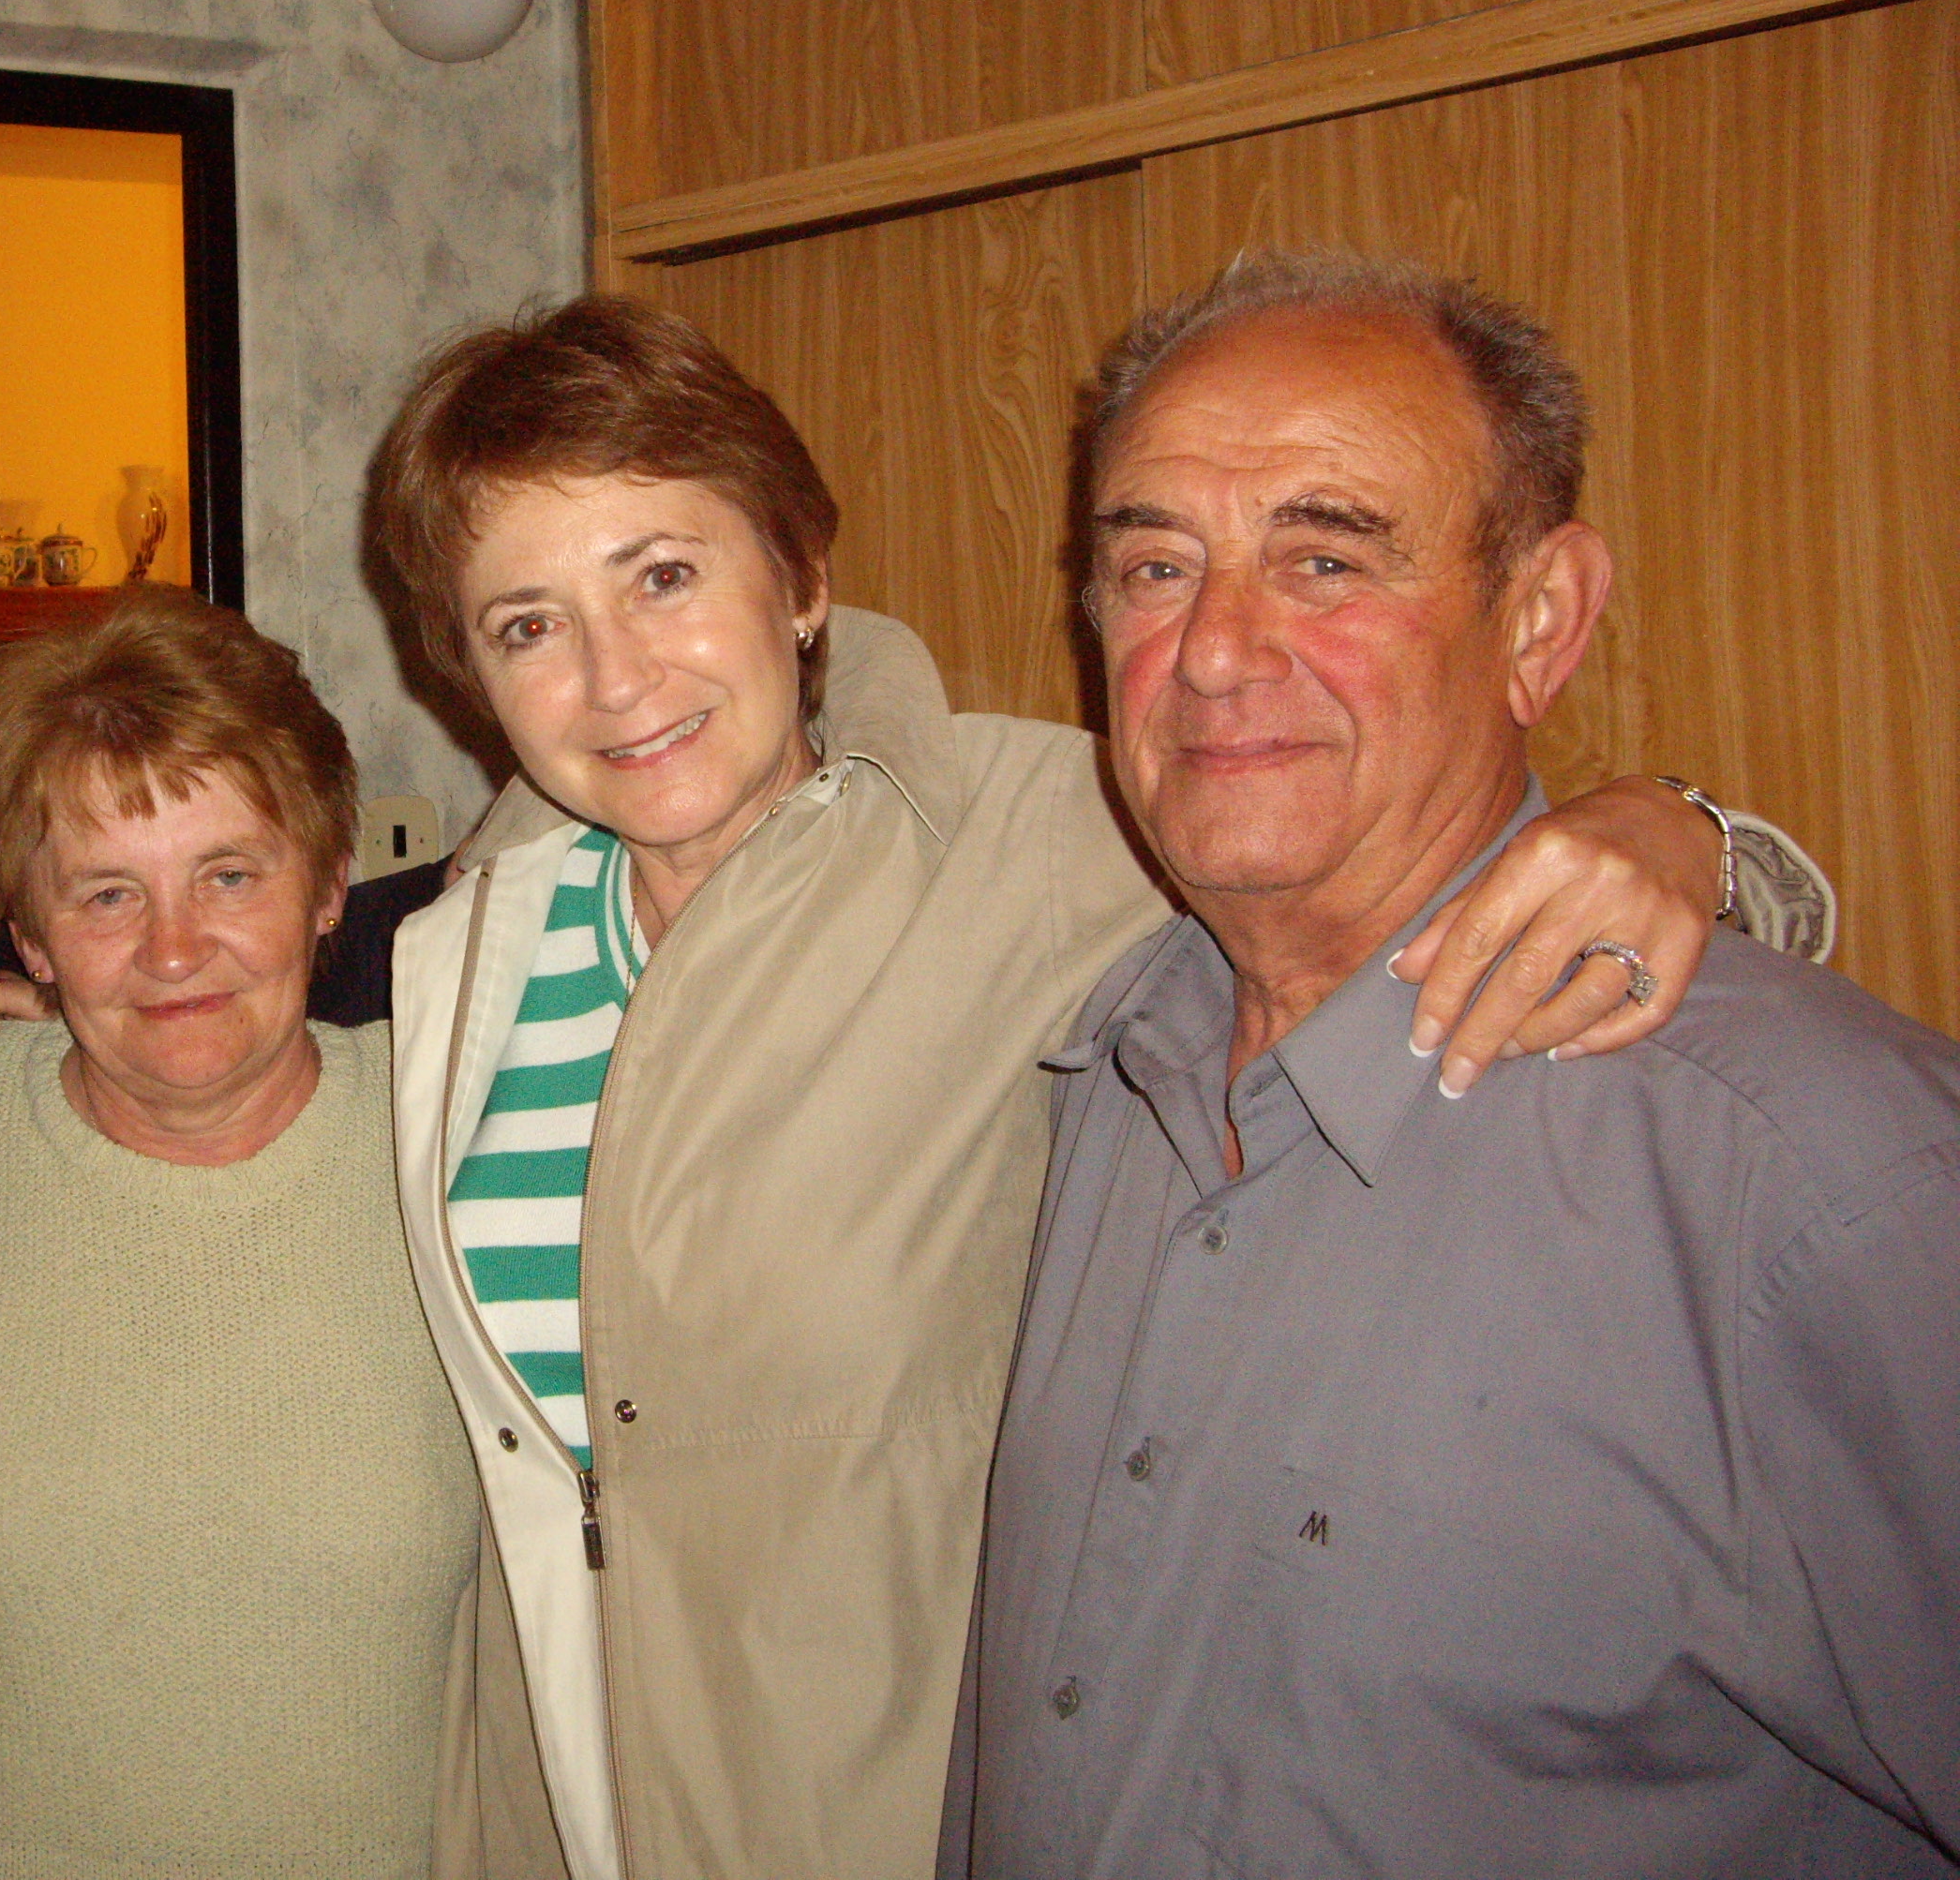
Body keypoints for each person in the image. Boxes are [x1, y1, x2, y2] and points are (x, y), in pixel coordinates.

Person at [358, 293, 1788, 1880]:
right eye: (529, 624)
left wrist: (1695, 839)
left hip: (902, 1821)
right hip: (560, 1816)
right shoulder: (459, 952)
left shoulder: (1053, 836)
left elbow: (1446, 905)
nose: (616, 678)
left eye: (664, 577)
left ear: (802, 577)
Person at [939, 256, 1958, 1876]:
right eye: (1154, 567)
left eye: (1325, 559)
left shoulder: (1820, 1181)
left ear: (1538, 623)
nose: (1214, 651)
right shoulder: (1089, 1079)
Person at [0, 591, 480, 1877]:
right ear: (28, 936)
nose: (175, 950)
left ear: (329, 885)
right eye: (105, 896)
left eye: (229, 875)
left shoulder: (458, 1143)